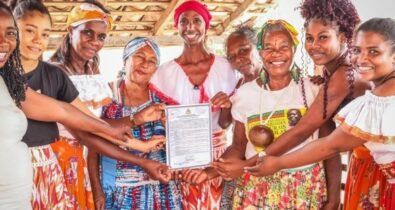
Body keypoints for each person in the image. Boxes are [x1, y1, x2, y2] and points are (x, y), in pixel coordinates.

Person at [9, 1, 171, 208]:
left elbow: (93, 123)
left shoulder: (87, 74)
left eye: (101, 36)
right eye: (87, 33)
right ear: (70, 31)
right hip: (57, 160)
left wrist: (140, 145)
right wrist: (137, 124)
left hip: (91, 160)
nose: (94, 41)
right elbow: (82, 127)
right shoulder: (47, 74)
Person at [246, 17, 395, 210]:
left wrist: (273, 162)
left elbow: (325, 142)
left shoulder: (377, 96)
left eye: (374, 51)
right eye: (357, 50)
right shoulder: (340, 76)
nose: (361, 58)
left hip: (381, 180)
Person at [185, 19, 330, 209]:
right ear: (261, 52)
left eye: (283, 46)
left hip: (303, 187)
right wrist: (209, 172)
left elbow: (330, 147)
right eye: (268, 47)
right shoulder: (243, 95)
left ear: (295, 48)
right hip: (257, 188)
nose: (276, 53)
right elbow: (238, 147)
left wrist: (334, 198)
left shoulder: (313, 89)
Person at [149, 1, 238, 209]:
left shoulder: (225, 67)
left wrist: (226, 106)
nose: (190, 27)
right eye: (184, 21)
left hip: (217, 157)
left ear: (206, 25)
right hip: (182, 156)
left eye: (196, 20)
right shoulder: (164, 74)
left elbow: (225, 125)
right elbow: (159, 123)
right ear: (176, 27)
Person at [88, 37, 183, 210]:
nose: (145, 64)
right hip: (116, 192)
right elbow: (92, 146)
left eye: (152, 61)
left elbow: (179, 150)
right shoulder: (105, 95)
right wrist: (97, 190)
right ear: (126, 58)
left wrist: (172, 131)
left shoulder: (163, 103)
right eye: (139, 56)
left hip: (158, 192)